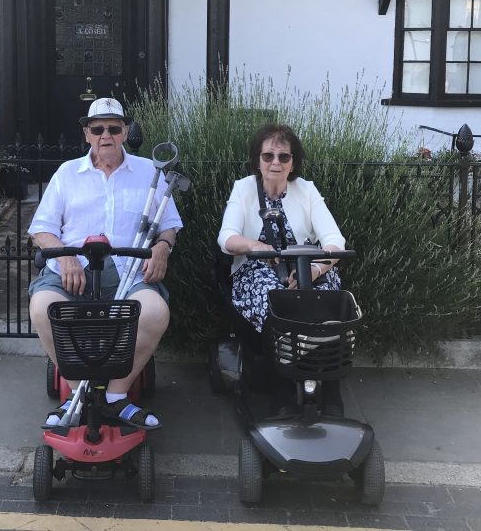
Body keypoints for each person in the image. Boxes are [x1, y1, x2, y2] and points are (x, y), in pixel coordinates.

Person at [28, 97, 182, 430]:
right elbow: (42, 229)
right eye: (98, 129)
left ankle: (116, 396)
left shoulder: (148, 172)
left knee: (154, 311)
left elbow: (169, 223)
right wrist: (66, 255)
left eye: (114, 128)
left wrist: (162, 248)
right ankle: (75, 393)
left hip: (129, 272)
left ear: (125, 131)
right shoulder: (67, 174)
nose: (106, 135)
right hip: (72, 274)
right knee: (43, 307)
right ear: (87, 133)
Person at [217, 123, 346, 416]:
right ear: (257, 160)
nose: (275, 163)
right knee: (276, 303)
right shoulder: (244, 189)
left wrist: (314, 269)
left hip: (306, 266)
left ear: (293, 162)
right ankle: (284, 393)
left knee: (329, 307)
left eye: (283, 157)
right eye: (268, 156)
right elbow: (227, 238)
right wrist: (257, 246)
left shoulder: (306, 190)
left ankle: (331, 392)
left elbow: (334, 241)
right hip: (257, 269)